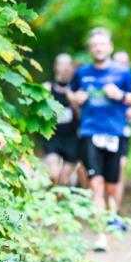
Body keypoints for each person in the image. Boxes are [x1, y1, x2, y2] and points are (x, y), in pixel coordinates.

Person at [71, 28, 131, 252]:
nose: (98, 48)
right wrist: (76, 98)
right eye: (94, 45)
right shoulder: (82, 73)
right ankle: (100, 236)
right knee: (95, 185)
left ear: (110, 47)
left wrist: (120, 95)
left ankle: (111, 217)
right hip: (90, 132)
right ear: (90, 49)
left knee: (110, 187)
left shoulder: (123, 72)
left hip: (115, 133)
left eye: (102, 44)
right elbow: (71, 94)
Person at [41, 53, 81, 187]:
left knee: (64, 181)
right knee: (54, 175)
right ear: (55, 67)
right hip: (52, 136)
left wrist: (76, 104)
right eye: (61, 64)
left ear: (72, 67)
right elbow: (37, 113)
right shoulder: (46, 88)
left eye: (67, 65)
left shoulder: (77, 90)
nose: (64, 68)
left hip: (72, 138)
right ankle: (52, 195)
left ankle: (58, 198)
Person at [111, 49, 131, 219]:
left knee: (120, 165)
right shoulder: (106, 78)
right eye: (116, 62)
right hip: (102, 129)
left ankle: (115, 209)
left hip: (123, 130)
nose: (120, 66)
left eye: (123, 63)